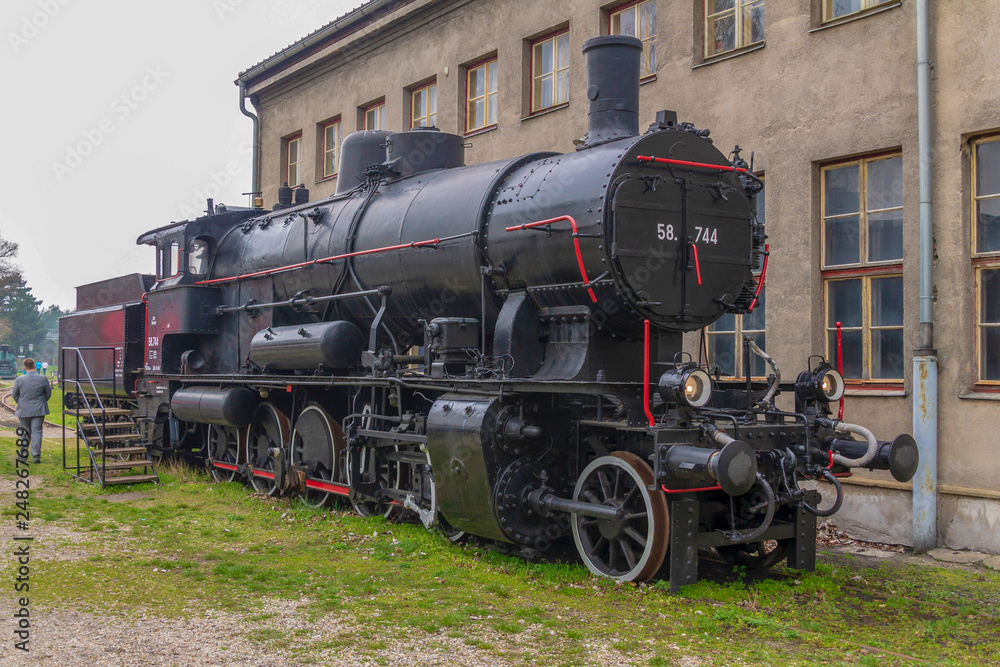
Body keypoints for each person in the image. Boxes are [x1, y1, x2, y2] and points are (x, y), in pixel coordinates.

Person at [12, 358, 51, 464]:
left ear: (24, 368)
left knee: (24, 433)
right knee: (37, 432)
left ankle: (23, 456)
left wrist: (21, 403)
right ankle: (36, 457)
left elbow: (15, 395)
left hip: (24, 409)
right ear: (34, 366)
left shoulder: (19, 379)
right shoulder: (43, 378)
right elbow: (48, 393)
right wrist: (42, 402)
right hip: (39, 409)